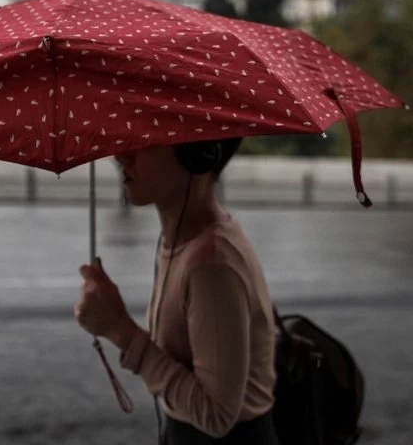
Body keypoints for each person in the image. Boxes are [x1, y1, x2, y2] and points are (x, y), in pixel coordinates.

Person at [75, 137, 279, 444]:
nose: (121, 155)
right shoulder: (186, 241)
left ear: (196, 153)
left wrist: (120, 331)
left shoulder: (211, 264)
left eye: (145, 140)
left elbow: (217, 414)